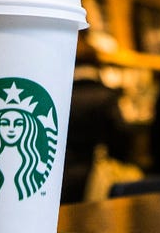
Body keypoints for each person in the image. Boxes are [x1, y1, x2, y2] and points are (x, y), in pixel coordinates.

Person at [62, 32, 133, 202]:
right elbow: (120, 135)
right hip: (93, 175)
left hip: (56, 174)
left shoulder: (58, 94)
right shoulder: (107, 96)